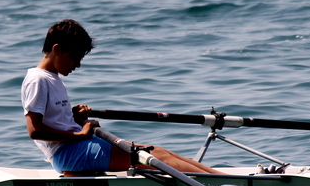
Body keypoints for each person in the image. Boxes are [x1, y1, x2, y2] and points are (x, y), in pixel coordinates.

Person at [21, 19, 221, 175]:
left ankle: (220, 176)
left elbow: (54, 121)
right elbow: (35, 130)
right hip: (68, 154)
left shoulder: (53, 79)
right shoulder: (37, 79)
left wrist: (76, 119)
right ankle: (224, 184)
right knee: (151, 157)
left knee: (157, 151)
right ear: (57, 50)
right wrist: (80, 135)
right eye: (75, 58)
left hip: (77, 147)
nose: (78, 65)